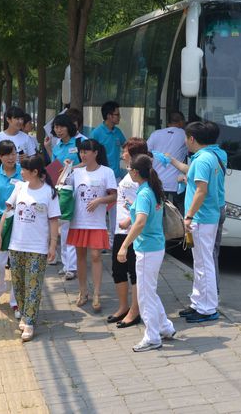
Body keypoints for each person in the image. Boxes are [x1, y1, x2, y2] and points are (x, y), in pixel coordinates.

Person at [0, 155, 60, 341]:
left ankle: (29, 322)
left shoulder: (49, 193)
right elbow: (7, 212)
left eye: (23, 169)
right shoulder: (20, 187)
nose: (20, 172)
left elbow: (53, 221)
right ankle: (24, 314)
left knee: (33, 285)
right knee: (19, 284)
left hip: (38, 248)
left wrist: (52, 245)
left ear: (35, 172)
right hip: (16, 245)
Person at [117, 154, 176, 352]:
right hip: (155, 246)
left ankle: (152, 337)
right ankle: (166, 328)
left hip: (147, 249)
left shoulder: (143, 193)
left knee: (144, 295)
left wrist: (124, 245)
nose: (128, 172)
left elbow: (141, 221)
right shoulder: (151, 189)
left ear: (135, 172)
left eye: (128, 169)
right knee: (149, 291)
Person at [178, 121, 227, 323]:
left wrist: (188, 215)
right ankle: (198, 303)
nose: (185, 142)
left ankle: (207, 308)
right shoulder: (212, 156)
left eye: (185, 138)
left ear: (192, 139)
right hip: (208, 216)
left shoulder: (201, 160)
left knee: (204, 263)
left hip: (201, 218)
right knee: (200, 262)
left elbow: (201, 190)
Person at [66, 139, 117, 312]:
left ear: (96, 153)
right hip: (78, 221)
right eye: (81, 152)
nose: (83, 154)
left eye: (87, 151)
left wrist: (100, 200)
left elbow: (114, 196)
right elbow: (61, 185)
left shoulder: (107, 172)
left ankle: (96, 293)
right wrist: (69, 168)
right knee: (80, 256)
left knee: (95, 256)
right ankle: (83, 291)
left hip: (97, 222)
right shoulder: (77, 172)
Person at [109, 138, 150, 328]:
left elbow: (143, 206)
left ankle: (135, 311)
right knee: (118, 269)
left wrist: (130, 219)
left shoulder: (139, 177)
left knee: (134, 271)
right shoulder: (129, 174)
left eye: (125, 150)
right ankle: (123, 307)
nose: (122, 153)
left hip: (132, 231)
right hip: (120, 229)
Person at [42, 113, 80, 276]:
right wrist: (49, 149)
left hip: (78, 189)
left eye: (61, 127)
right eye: (56, 127)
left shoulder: (80, 142)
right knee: (64, 226)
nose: (58, 130)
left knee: (72, 226)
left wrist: (72, 168)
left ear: (69, 127)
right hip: (63, 191)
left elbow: (88, 162)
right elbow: (54, 166)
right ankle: (68, 265)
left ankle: (72, 265)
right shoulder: (57, 146)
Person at [0, 140, 21, 318]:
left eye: (13, 153)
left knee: (16, 263)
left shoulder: (24, 171)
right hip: (0, 222)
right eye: (7, 154)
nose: (11, 157)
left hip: (20, 223)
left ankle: (16, 302)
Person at [90, 101, 126, 249]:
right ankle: (98, 241)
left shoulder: (118, 132)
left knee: (114, 211)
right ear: (109, 116)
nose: (119, 117)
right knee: (98, 209)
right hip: (100, 177)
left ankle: (111, 243)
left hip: (115, 177)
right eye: (117, 114)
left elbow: (125, 146)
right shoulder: (97, 133)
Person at [147, 111, 187, 210]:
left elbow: (146, 151)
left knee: (158, 210)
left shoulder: (155, 134)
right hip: (177, 184)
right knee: (181, 211)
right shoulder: (185, 135)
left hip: (158, 181)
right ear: (181, 122)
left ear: (168, 123)